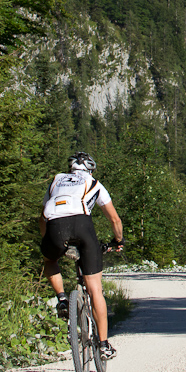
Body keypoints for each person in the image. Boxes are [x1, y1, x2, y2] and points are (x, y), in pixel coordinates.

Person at [39, 151, 124, 360]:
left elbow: (42, 216)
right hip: (82, 225)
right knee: (95, 289)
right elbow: (114, 220)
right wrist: (118, 241)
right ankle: (103, 345)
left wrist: (47, 240)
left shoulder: (56, 181)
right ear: (90, 169)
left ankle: (61, 298)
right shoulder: (93, 183)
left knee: (49, 260)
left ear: (70, 169)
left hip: (55, 226)